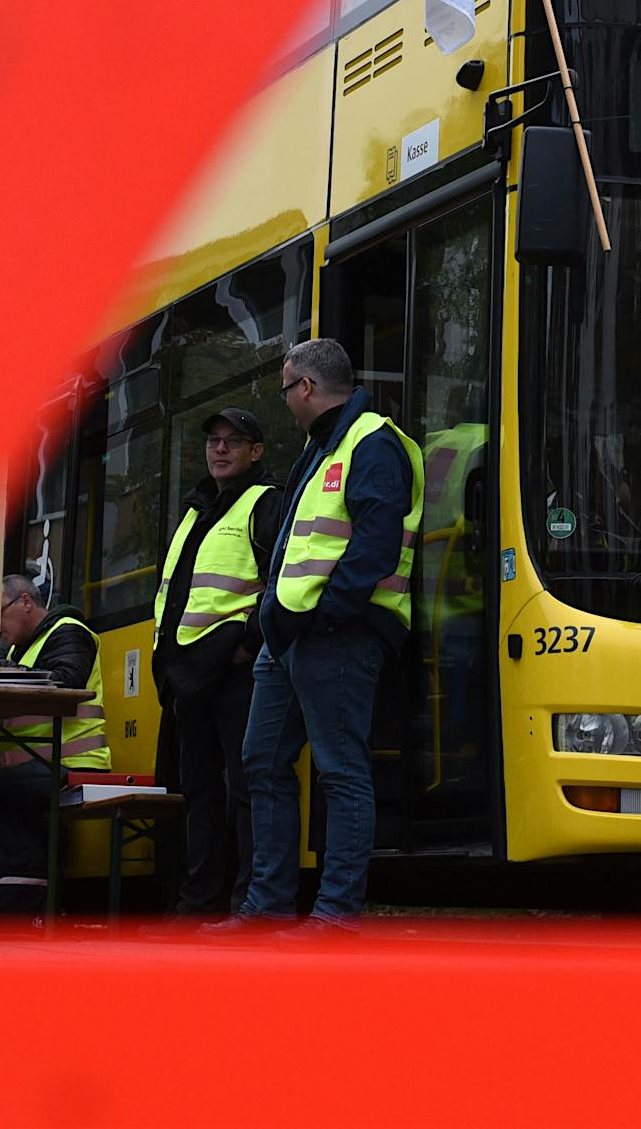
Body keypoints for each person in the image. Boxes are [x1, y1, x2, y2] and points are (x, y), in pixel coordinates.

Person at [227, 338, 423, 933]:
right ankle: (268, 909)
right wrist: (275, 618)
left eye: (286, 389)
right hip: (291, 639)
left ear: (306, 388)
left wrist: (327, 615)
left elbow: (373, 545)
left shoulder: (372, 442)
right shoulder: (323, 448)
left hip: (336, 635)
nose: (285, 403)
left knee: (340, 769)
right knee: (262, 761)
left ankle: (336, 915)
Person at [152, 406, 282, 916]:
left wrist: (246, 643)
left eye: (234, 440)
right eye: (213, 441)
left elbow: (282, 579)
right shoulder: (195, 510)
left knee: (246, 789)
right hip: (188, 680)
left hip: (234, 674)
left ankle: (247, 900)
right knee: (200, 795)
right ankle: (198, 905)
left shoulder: (265, 502)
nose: (220, 448)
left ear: (256, 451)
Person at [0, 573, 108, 915]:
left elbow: (68, 680)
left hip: (74, 764)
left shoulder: (70, 631)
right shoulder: (20, 647)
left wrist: (7, 671)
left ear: (26, 602)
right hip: (37, 768)